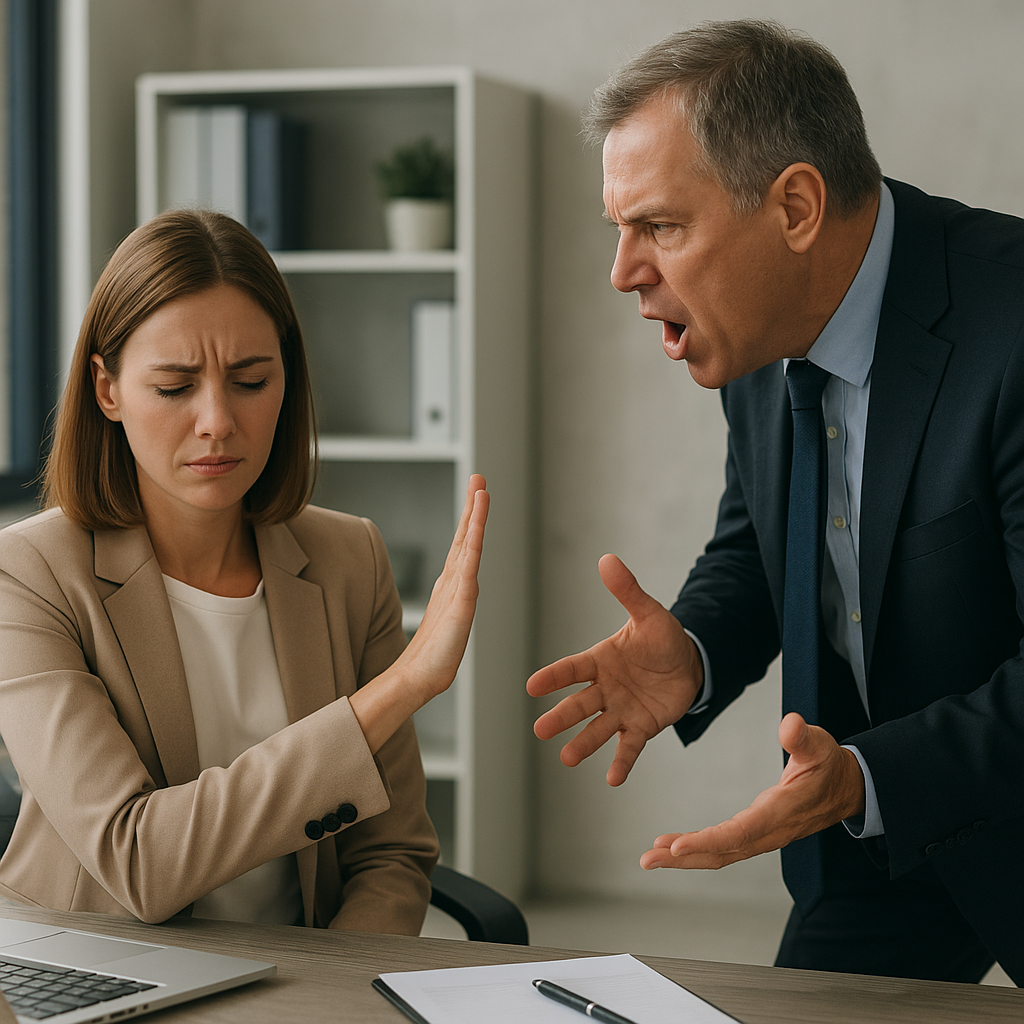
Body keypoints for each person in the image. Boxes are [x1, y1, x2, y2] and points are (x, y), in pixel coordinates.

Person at [528, 19, 1024, 985]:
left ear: (795, 205)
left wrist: (873, 774)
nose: (624, 271)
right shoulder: (761, 333)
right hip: (873, 837)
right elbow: (762, 545)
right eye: (620, 231)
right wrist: (698, 649)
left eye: (661, 227)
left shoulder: (1014, 329)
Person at [0, 208, 489, 934]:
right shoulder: (30, 572)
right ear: (108, 391)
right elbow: (139, 861)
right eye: (174, 388)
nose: (218, 421)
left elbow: (391, 854)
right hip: (97, 975)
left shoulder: (350, 558)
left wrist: (338, 1004)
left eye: (251, 380)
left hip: (298, 984)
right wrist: (400, 690)